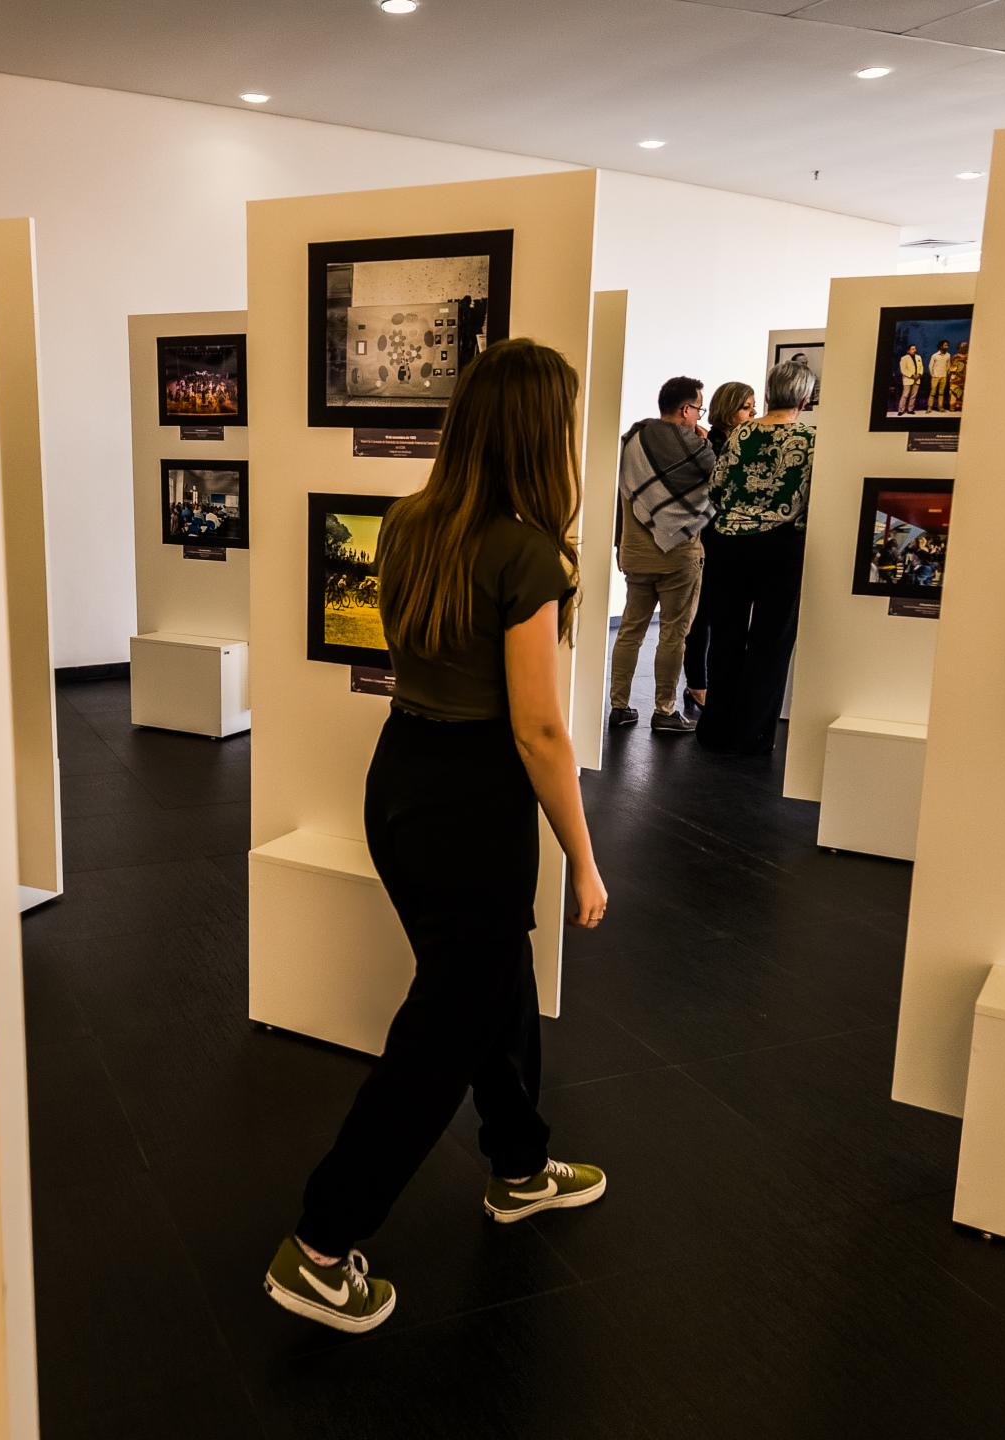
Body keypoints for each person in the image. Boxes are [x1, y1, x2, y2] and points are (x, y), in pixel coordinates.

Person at [265, 339, 609, 1335]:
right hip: (473, 800)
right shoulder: (531, 551)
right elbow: (539, 727)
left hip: (402, 783)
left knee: (488, 982)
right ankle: (322, 1248)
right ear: (541, 433)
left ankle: (520, 1164)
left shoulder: (411, 521)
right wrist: (584, 858)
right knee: (448, 1024)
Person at [697, 359, 817, 755]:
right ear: (804, 395)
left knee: (727, 635)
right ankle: (751, 735)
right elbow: (811, 499)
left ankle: (715, 728)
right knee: (771, 641)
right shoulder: (808, 438)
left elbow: (716, 487)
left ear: (769, 392)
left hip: (729, 544)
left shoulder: (742, 432)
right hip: (779, 546)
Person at [608, 376, 714, 734]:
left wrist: (620, 543)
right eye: (699, 408)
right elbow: (715, 491)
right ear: (686, 409)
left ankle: (619, 706)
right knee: (673, 634)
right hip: (679, 556)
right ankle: (664, 710)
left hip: (636, 554)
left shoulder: (631, 441)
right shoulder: (699, 450)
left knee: (630, 630)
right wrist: (706, 445)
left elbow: (621, 496)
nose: (699, 415)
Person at [680, 382, 756, 729]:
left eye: (753, 408)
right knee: (703, 615)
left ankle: (705, 684)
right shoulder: (712, 445)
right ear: (728, 409)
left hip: (727, 540)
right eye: (746, 408)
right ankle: (697, 685)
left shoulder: (732, 442)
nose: (752, 415)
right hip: (709, 538)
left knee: (717, 615)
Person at [896, 344, 924, 415]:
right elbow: (903, 369)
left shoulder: (918, 357)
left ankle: (910, 409)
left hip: (917, 379)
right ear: (908, 350)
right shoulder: (904, 358)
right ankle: (901, 410)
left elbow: (921, 367)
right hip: (908, 379)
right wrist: (912, 375)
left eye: (915, 349)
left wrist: (919, 374)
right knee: (905, 395)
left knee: (913, 395)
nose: (915, 350)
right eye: (912, 349)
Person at [927, 340, 952, 412]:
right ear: (941, 346)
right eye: (945, 345)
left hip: (943, 376)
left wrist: (947, 373)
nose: (947, 347)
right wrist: (932, 375)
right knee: (932, 392)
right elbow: (930, 366)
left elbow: (948, 365)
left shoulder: (948, 355)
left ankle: (940, 407)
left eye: (947, 345)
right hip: (935, 376)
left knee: (941, 393)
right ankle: (929, 407)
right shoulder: (934, 355)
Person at [947, 341, 969, 412]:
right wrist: (959, 375)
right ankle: (952, 407)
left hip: (966, 378)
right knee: (954, 392)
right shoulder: (956, 357)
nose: (964, 347)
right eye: (963, 346)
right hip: (956, 378)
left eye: (966, 346)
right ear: (959, 347)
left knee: (964, 394)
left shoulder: (969, 356)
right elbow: (952, 369)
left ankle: (961, 407)